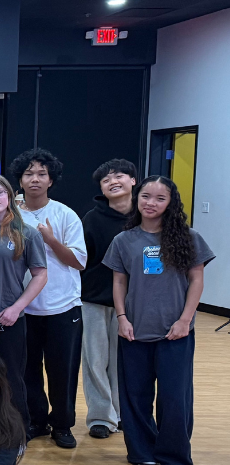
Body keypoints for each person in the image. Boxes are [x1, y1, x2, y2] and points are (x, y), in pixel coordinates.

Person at [104, 175, 214, 465]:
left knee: (174, 398)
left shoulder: (188, 238)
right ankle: (141, 451)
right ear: (137, 199)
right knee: (135, 396)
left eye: (160, 198)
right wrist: (122, 318)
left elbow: (196, 279)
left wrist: (185, 320)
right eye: (145, 197)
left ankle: (175, 456)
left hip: (175, 332)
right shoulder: (123, 240)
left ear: (170, 203)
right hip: (134, 331)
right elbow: (118, 281)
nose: (151, 203)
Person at [11, 147, 87, 449]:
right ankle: (36, 421)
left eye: (41, 174)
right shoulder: (11, 214)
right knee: (26, 369)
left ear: (51, 180)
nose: (35, 179)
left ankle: (63, 424)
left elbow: (79, 261)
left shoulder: (65, 214)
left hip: (62, 305)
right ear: (20, 179)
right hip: (23, 307)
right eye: (29, 173)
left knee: (62, 370)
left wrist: (51, 239)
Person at [0, 173, 48, 434]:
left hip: (8, 319)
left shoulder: (25, 233)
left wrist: (17, 308)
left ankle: (17, 432)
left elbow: (40, 275)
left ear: (9, 196)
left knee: (10, 380)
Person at [81, 159, 138, 439]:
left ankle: (122, 412)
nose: (113, 181)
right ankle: (101, 418)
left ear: (133, 181)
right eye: (106, 180)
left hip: (134, 304)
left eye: (119, 176)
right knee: (94, 361)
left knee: (123, 361)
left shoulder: (146, 215)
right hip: (94, 299)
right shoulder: (92, 218)